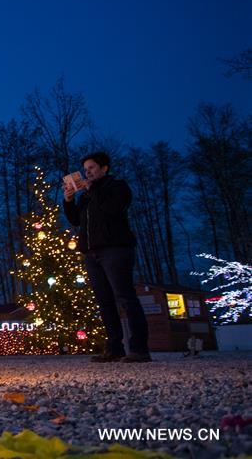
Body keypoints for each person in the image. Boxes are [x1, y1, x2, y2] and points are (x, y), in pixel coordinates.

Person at [63, 151, 151, 363]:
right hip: (91, 252)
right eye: (85, 169)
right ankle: (114, 347)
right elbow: (76, 220)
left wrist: (92, 190)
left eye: (91, 168)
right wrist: (69, 201)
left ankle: (139, 348)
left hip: (115, 249)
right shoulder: (85, 196)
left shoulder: (117, 187)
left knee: (125, 297)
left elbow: (112, 209)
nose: (87, 172)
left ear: (104, 168)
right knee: (104, 301)